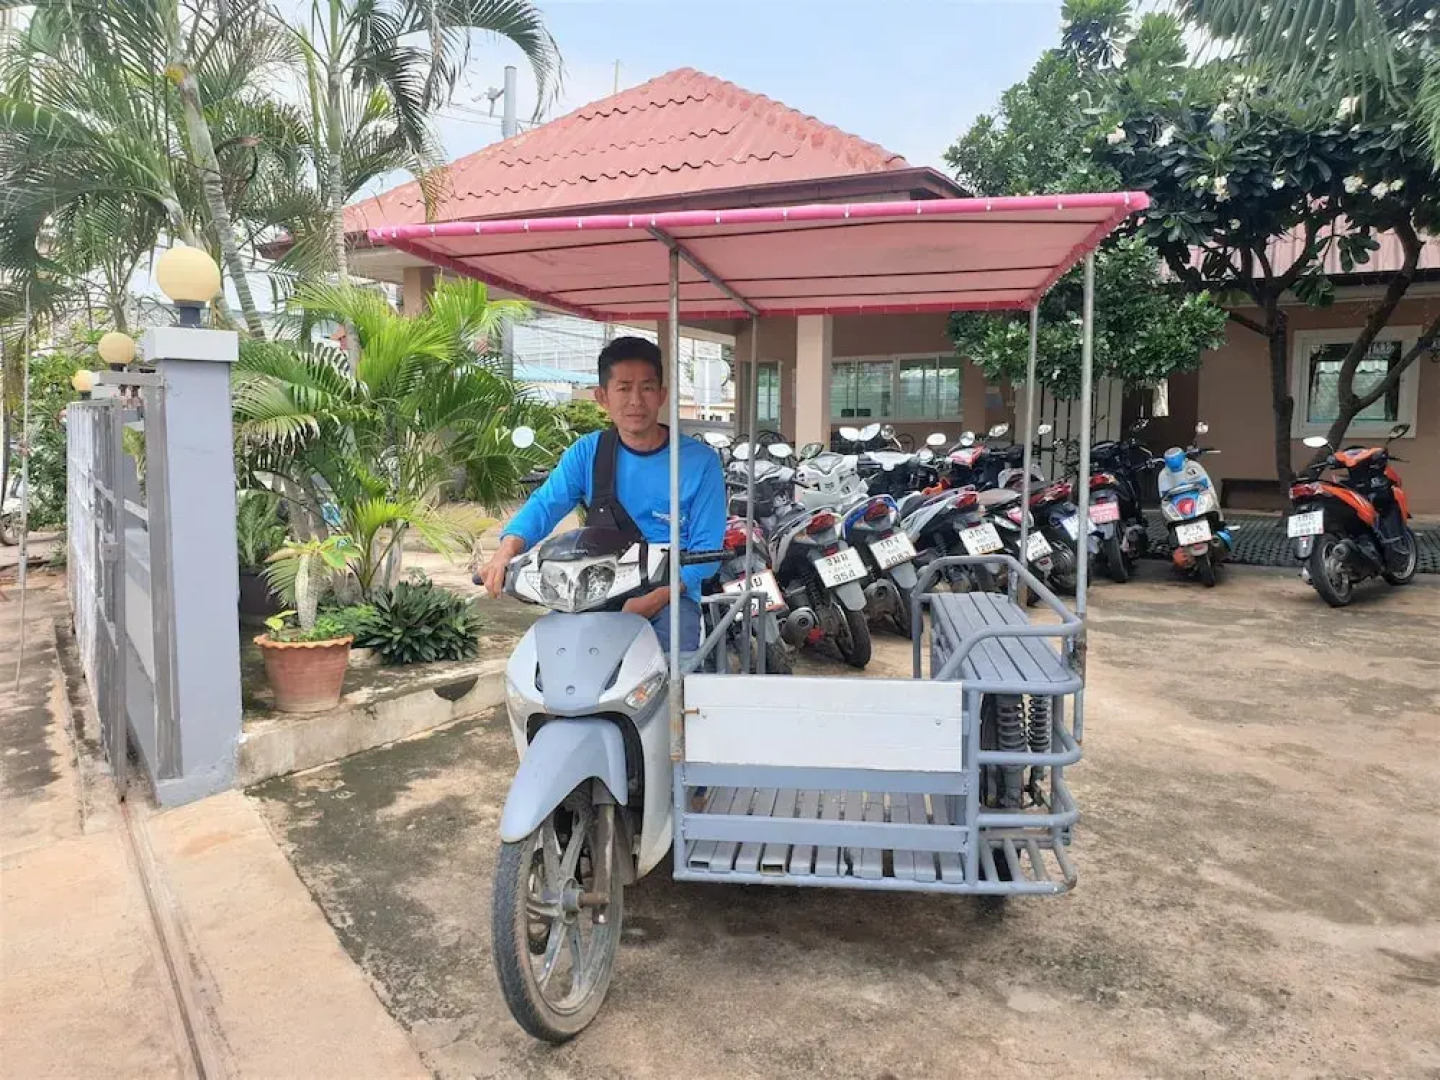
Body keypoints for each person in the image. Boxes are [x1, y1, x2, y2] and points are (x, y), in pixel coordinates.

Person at [478, 336, 726, 656]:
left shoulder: (701, 463)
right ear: (602, 397)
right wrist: (505, 551)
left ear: (662, 395)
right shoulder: (588, 452)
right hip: (593, 589)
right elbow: (545, 504)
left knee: (670, 673)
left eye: (647, 388)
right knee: (548, 664)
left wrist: (653, 600)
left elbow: (707, 553)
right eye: (623, 388)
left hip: (670, 597)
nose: (635, 400)